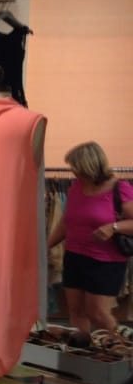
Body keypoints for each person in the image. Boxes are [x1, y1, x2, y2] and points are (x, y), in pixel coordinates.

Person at [47, 141, 133, 332]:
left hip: (105, 262)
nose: (74, 172)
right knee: (76, 312)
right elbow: (66, 222)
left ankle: (120, 347)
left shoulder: (120, 188)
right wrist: (47, 245)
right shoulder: (76, 188)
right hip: (74, 257)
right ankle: (82, 348)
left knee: (98, 314)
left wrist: (114, 227)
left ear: (90, 166)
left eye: (76, 168)